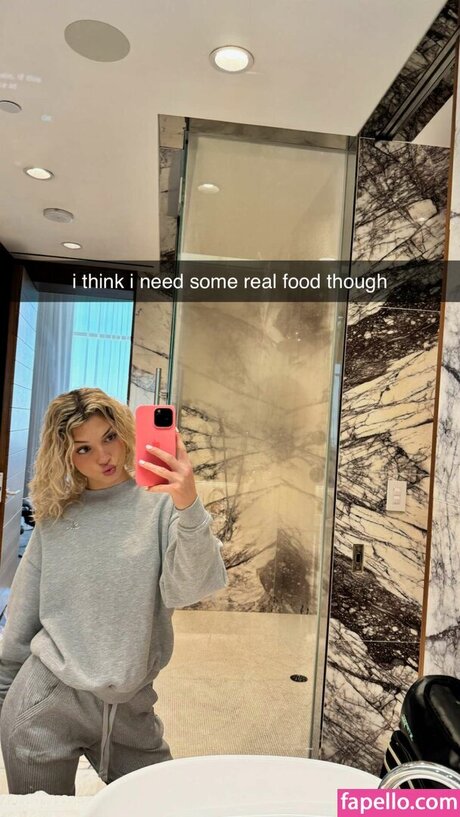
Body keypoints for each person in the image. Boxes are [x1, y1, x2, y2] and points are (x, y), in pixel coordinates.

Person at [0, 387, 227, 795]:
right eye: (83, 448)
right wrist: (3, 696)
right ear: (66, 455)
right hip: (44, 705)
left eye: (109, 437)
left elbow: (190, 589)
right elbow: (23, 616)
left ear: (124, 431)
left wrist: (189, 503)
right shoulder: (56, 516)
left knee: (164, 802)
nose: (103, 456)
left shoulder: (162, 504)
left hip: (131, 708)